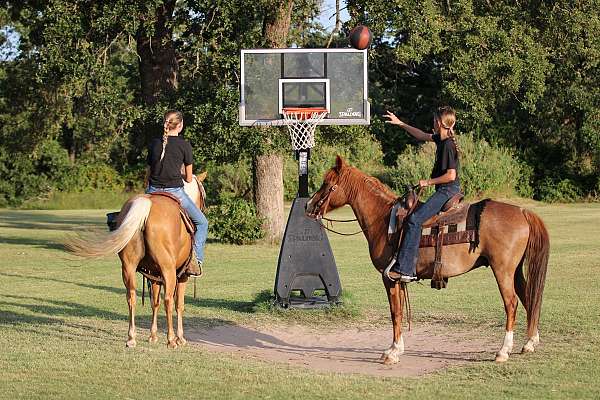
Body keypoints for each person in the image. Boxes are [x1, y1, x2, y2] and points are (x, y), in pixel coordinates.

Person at [383, 106, 462, 282]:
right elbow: (421, 135)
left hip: (447, 190)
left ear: (440, 123)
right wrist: (400, 123)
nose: (432, 123)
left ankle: (406, 270)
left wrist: (428, 182)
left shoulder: (448, 144)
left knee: (414, 220)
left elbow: (451, 175)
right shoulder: (440, 139)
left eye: (434, 120)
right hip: (444, 189)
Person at [145, 110, 208, 276]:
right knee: (202, 223)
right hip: (175, 193)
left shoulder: (154, 143)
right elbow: (188, 179)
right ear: (180, 126)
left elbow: (148, 172)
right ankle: (196, 259)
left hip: (152, 191)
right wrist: (177, 174)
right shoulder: (184, 145)